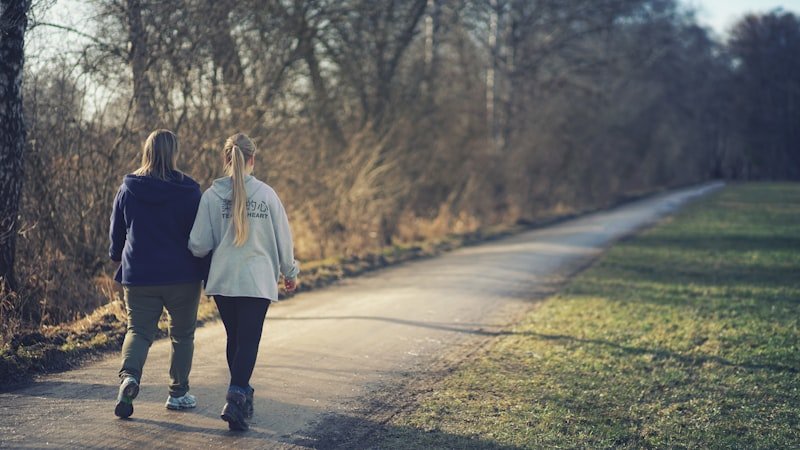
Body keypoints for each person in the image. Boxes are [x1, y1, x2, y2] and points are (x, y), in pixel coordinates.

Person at [188, 132, 299, 431]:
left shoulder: (211, 197)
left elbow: (198, 245)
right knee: (248, 341)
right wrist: (290, 272)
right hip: (257, 280)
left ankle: (240, 394)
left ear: (226, 159)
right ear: (252, 159)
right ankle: (236, 396)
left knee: (235, 339)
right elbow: (283, 239)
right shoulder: (266, 195)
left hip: (224, 280)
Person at [109, 129, 207, 418]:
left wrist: (116, 254)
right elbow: (201, 236)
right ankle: (177, 394)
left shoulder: (128, 188)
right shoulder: (189, 191)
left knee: (138, 331)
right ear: (173, 152)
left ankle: (129, 377)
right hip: (183, 276)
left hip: (139, 275)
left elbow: (117, 232)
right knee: (182, 335)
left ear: (147, 150)